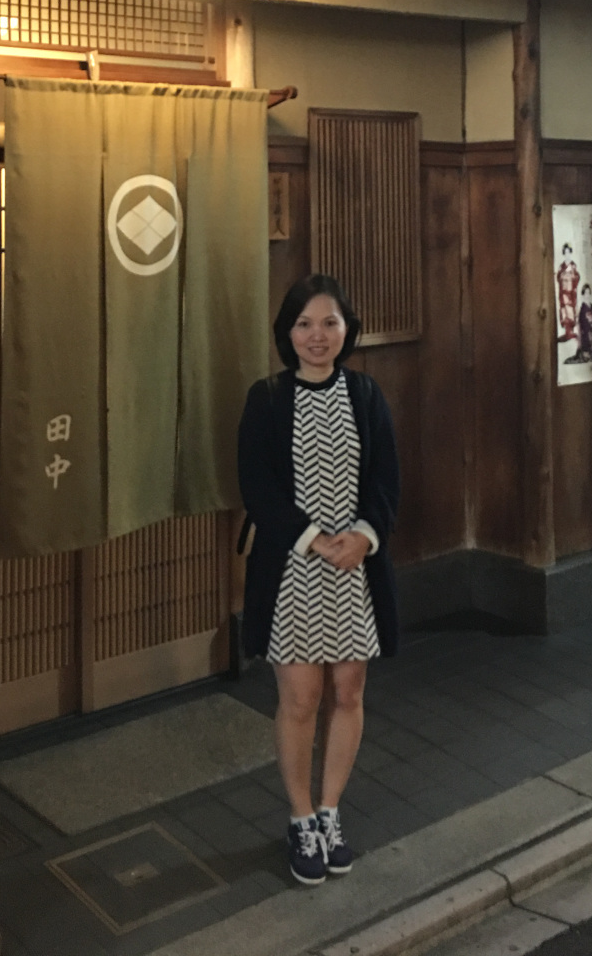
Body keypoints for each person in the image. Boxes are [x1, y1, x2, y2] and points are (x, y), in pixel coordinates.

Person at [237, 274, 401, 886]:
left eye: (329, 323)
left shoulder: (365, 395)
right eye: (304, 324)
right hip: (293, 570)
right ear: (287, 333)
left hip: (355, 569)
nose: (317, 335)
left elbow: (387, 478)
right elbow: (256, 484)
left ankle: (331, 810)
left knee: (350, 692)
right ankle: (300, 816)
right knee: (301, 698)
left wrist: (362, 536)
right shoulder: (268, 398)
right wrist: (313, 539)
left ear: (346, 330)